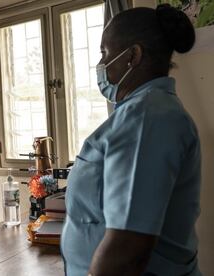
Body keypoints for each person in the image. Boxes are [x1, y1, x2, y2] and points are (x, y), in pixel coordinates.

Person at [61, 4, 201, 276]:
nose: (101, 64)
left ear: (132, 56)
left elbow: (128, 247)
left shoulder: (148, 117)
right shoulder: (140, 111)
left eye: (105, 53)